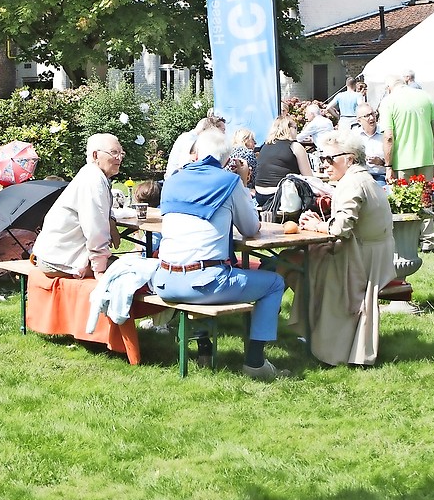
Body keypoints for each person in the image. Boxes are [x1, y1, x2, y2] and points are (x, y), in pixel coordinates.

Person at [155, 130, 288, 380]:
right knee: (274, 283)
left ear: (195, 153)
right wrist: (242, 180)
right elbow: (251, 228)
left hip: (165, 280)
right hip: (204, 282)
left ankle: (205, 349)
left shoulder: (173, 180)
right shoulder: (228, 182)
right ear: (227, 159)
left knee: (211, 273)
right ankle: (256, 363)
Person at [294, 131, 394, 366]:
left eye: (330, 159)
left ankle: (321, 341)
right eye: (322, 159)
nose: (325, 165)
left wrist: (317, 225)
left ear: (349, 158)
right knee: (304, 260)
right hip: (371, 254)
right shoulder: (363, 178)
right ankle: (311, 330)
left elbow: (340, 228)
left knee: (300, 264)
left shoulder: (352, 182)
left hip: (359, 260)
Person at [30, 134, 122, 278]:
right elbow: (95, 228)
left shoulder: (93, 174)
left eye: (121, 153)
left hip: (55, 256)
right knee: (127, 271)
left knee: (124, 267)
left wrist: (111, 220)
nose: (119, 158)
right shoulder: (93, 180)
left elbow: (101, 214)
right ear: (96, 155)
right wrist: (100, 269)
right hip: (59, 261)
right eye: (114, 152)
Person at [382, 78, 434, 180]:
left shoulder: (388, 101)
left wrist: (388, 166)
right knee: (425, 195)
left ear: (388, 89)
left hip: (401, 162)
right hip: (426, 158)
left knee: (405, 195)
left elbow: (389, 137)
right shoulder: (425, 96)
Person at [254, 116, 313, 208]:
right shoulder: (295, 146)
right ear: (289, 128)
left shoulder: (265, 146)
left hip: (260, 195)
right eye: (295, 127)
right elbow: (309, 178)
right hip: (282, 196)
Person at [229, 128, 259, 192]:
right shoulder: (248, 154)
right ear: (245, 140)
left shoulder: (228, 152)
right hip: (244, 189)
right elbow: (255, 179)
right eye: (252, 139)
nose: (255, 143)